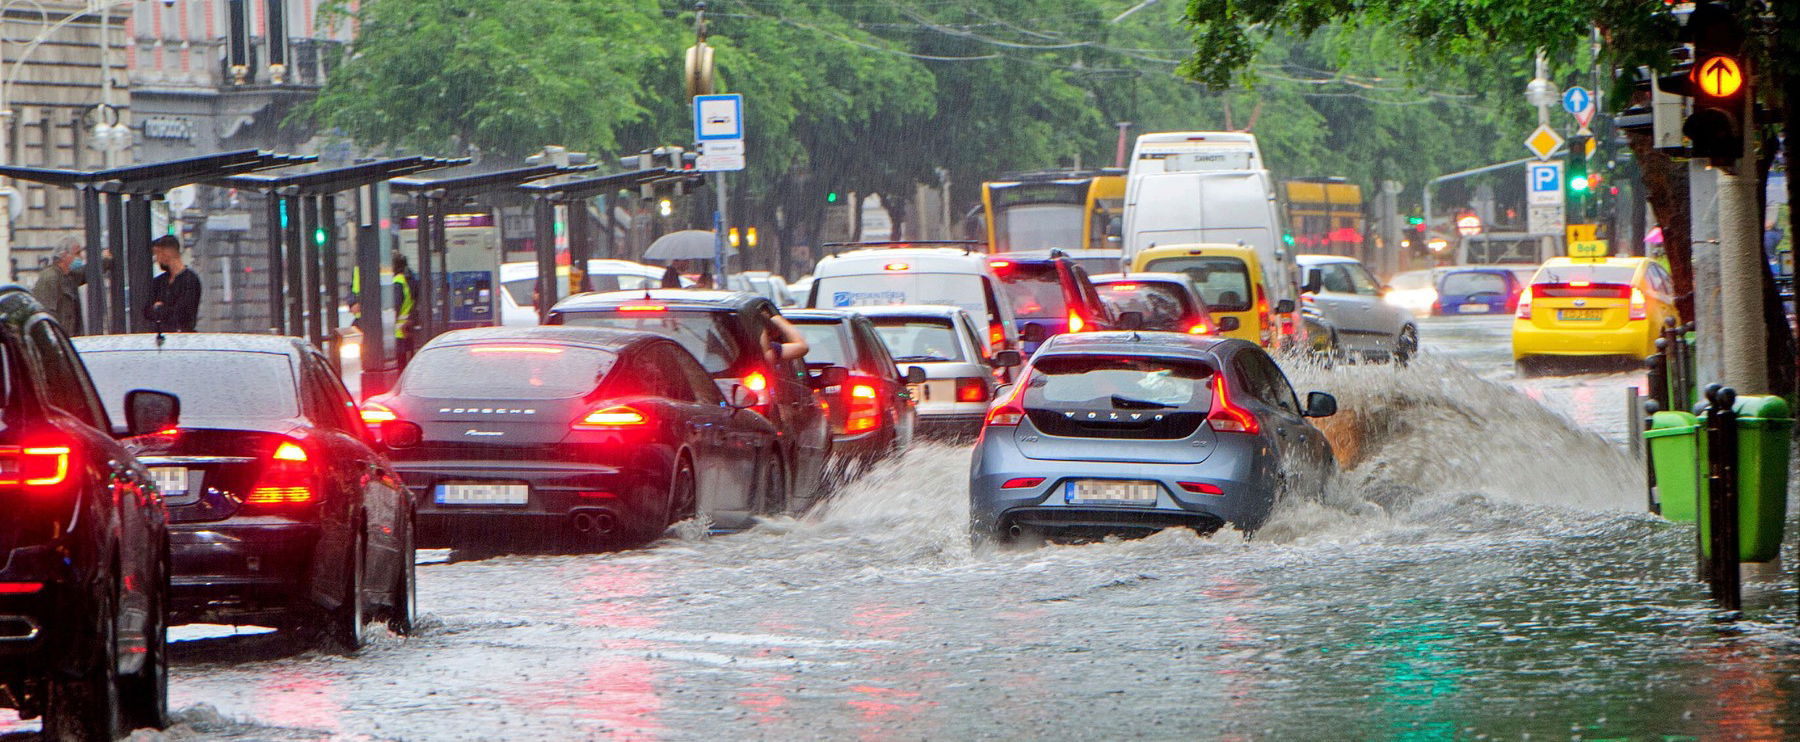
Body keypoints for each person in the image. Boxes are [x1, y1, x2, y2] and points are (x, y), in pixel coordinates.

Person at [32, 236, 94, 334]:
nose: (81, 257)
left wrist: (104, 260)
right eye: (77, 253)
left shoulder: (67, 276)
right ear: (64, 255)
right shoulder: (49, 278)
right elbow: (45, 315)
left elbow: (88, 272)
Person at [145, 235, 201, 332]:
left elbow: (183, 314)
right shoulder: (159, 282)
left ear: (166, 253)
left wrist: (159, 309)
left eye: (157, 254)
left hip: (182, 338)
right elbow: (147, 311)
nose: (157, 260)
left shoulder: (190, 280)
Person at [392, 252, 421, 366]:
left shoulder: (397, 283)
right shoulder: (407, 280)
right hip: (406, 331)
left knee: (400, 366)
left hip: (398, 334)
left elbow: (395, 307)